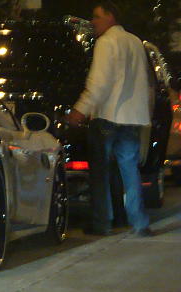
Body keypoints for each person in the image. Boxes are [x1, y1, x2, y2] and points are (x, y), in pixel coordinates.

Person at [65, 1, 153, 238]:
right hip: (132, 118)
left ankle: (102, 222)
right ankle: (139, 221)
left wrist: (80, 109)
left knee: (100, 173)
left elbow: (99, 82)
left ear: (111, 17)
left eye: (97, 17)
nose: (93, 22)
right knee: (129, 169)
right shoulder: (135, 42)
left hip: (107, 116)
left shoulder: (106, 42)